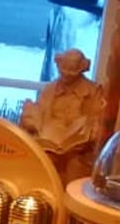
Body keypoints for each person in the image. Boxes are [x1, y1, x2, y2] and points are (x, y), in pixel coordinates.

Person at [20, 48, 104, 184]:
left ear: (80, 71)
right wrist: (31, 120)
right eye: (62, 72)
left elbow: (98, 121)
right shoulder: (50, 89)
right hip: (51, 141)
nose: (65, 77)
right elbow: (41, 114)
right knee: (42, 162)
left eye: (71, 74)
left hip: (78, 149)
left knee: (76, 167)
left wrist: (88, 134)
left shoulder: (93, 91)